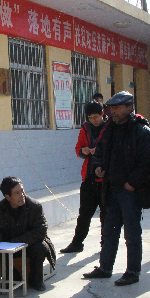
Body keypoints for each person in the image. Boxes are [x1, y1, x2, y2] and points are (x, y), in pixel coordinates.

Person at [83, 91, 150, 286]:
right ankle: (105, 268)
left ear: (129, 107)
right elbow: (99, 153)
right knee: (109, 232)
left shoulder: (141, 131)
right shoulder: (110, 129)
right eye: (112, 108)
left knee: (132, 233)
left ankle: (132, 271)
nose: (113, 111)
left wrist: (131, 184)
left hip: (129, 191)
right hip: (111, 189)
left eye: (117, 107)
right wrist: (98, 167)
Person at [0, 177, 56, 291]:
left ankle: (36, 280)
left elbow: (40, 231)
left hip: (29, 243)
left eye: (22, 191)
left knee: (40, 248)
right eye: (17, 193)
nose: (22, 195)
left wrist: (15, 243)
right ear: (7, 196)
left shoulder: (35, 206)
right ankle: (12, 278)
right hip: (8, 245)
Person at [60, 101, 107, 254]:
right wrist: (83, 151)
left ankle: (106, 244)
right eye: (90, 117)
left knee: (106, 215)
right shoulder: (85, 129)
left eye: (96, 117)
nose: (94, 120)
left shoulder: (109, 128)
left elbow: (113, 150)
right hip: (89, 179)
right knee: (84, 214)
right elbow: (78, 149)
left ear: (102, 114)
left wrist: (98, 151)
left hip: (106, 180)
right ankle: (77, 243)